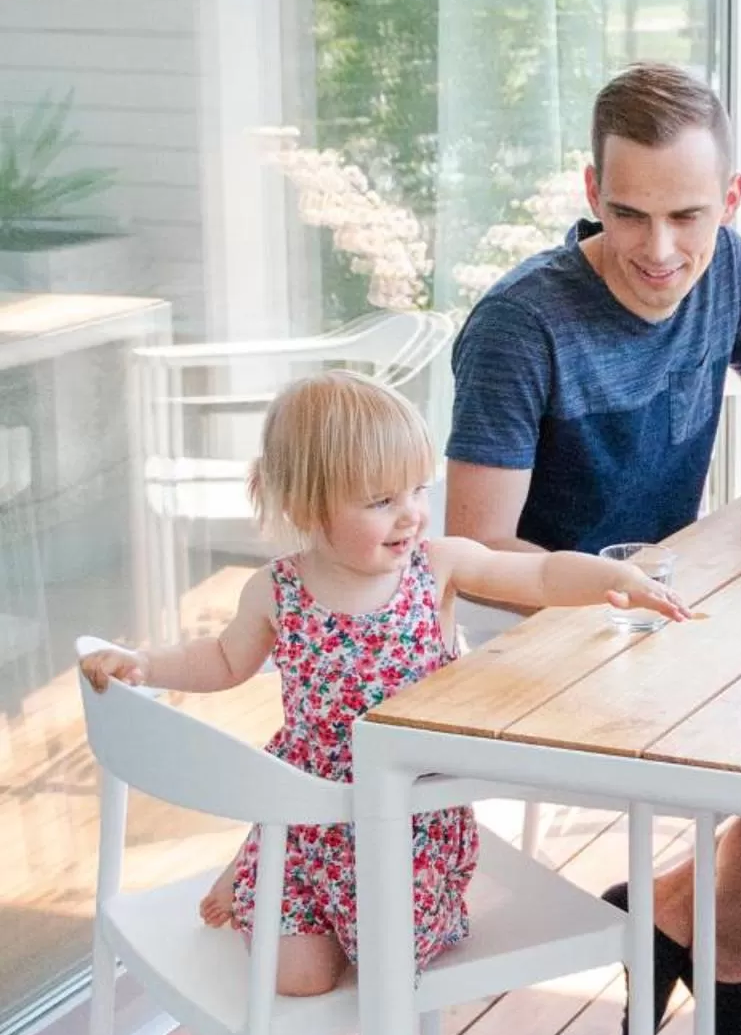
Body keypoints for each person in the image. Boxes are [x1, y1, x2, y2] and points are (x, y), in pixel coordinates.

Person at [444, 61, 741, 1035]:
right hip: (540, 631)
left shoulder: (729, 272)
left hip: (670, 604)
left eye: (687, 215)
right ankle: (720, 950)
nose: (661, 251)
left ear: (730, 199)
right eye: (630, 215)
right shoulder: (519, 327)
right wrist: (612, 591)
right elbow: (477, 560)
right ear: (591, 194)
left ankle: (676, 913)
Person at [78, 372, 687, 996]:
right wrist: (145, 663)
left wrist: (616, 581)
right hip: (305, 819)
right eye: (380, 501)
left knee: (388, 968)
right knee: (300, 980)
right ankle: (255, 868)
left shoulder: (438, 566)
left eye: (416, 490)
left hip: (408, 819)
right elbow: (221, 660)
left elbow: (536, 576)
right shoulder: (276, 590)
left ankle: (248, 870)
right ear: (306, 507)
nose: (410, 515)